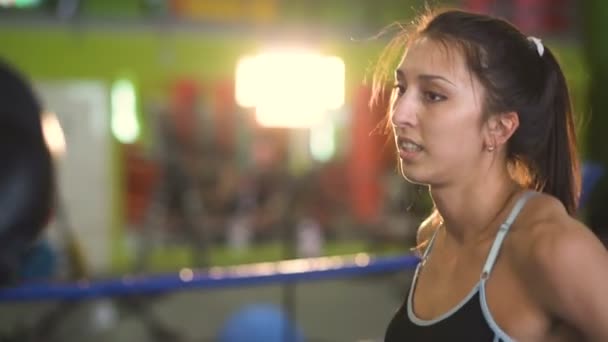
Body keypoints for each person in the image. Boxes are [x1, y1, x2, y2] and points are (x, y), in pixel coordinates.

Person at [375, 9, 608, 341]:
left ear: (499, 127)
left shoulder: (551, 247)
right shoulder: (434, 236)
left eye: (433, 95)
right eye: (401, 88)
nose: (399, 114)